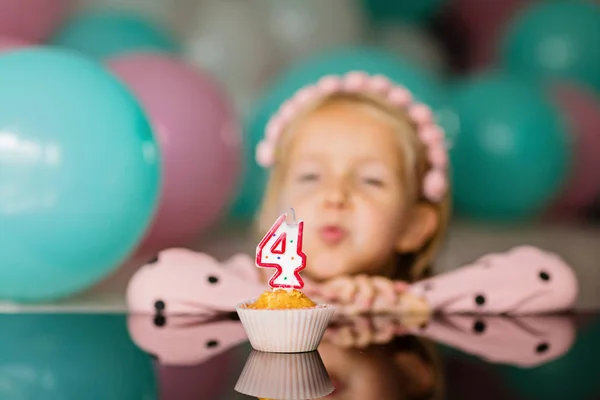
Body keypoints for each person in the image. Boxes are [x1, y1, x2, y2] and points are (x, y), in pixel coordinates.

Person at [253, 71, 451, 314]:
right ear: (277, 208)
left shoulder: (425, 305)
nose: (335, 196)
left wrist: (409, 302)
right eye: (310, 177)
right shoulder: (247, 282)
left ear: (413, 225)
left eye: (370, 181)